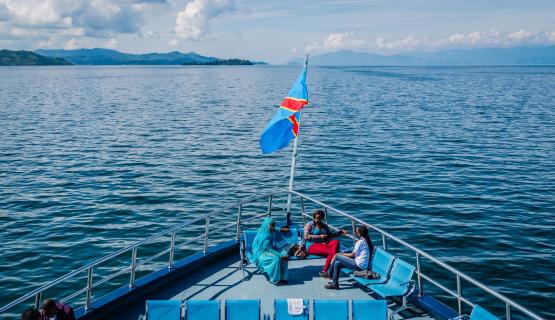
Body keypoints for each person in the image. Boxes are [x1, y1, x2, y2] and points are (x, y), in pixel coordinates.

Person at [325, 225, 374, 290]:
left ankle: (329, 273)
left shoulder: (360, 242)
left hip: (359, 265)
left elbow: (352, 255)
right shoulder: (366, 240)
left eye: (356, 231)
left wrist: (342, 254)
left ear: (359, 233)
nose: (355, 232)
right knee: (337, 263)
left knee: (337, 256)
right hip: (361, 264)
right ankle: (335, 284)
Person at [303, 209, 348, 278]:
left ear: (322, 218)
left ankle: (326, 271)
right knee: (331, 252)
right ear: (314, 217)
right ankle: (331, 268)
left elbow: (331, 235)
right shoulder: (309, 225)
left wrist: (340, 232)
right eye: (316, 218)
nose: (317, 219)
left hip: (323, 244)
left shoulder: (324, 226)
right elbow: (306, 236)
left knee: (336, 242)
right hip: (311, 245)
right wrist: (320, 236)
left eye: (319, 218)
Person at [252, 217, 289, 285]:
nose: (273, 227)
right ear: (267, 225)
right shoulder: (264, 236)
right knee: (276, 258)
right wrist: (280, 255)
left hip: (270, 249)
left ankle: (283, 278)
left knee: (285, 253)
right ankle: (275, 280)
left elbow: (274, 229)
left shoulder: (269, 230)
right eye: (271, 225)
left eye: (273, 225)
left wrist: (281, 229)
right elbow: (269, 249)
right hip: (261, 253)